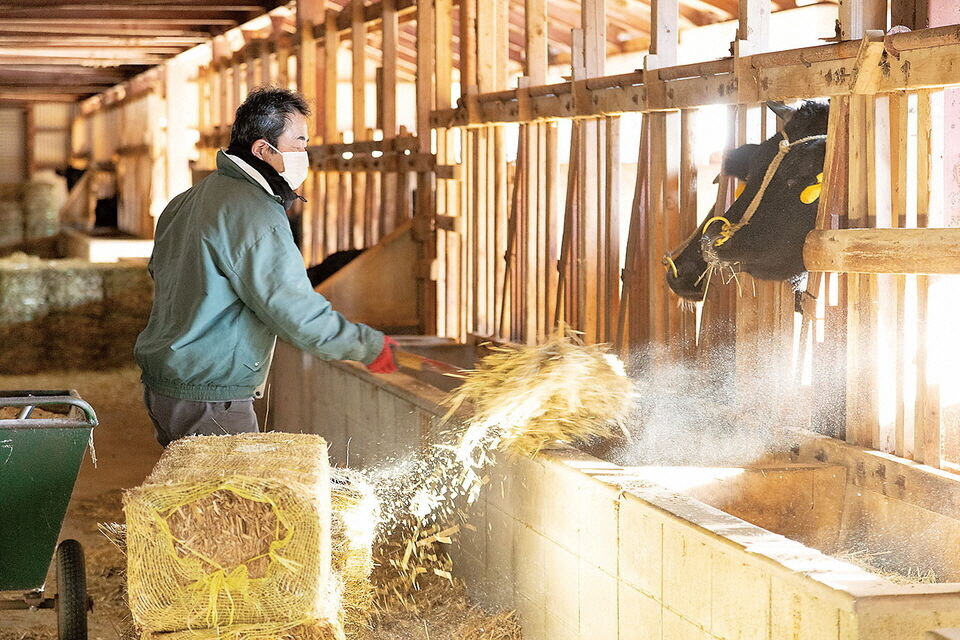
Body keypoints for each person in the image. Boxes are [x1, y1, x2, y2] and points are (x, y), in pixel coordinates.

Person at [135, 87, 397, 447]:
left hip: (169, 384)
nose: (305, 155)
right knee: (233, 501)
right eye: (299, 143)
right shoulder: (255, 212)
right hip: (211, 396)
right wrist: (368, 346)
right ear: (262, 149)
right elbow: (292, 309)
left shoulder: (190, 199)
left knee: (194, 501)